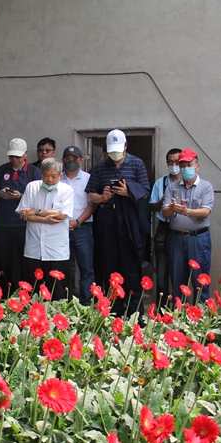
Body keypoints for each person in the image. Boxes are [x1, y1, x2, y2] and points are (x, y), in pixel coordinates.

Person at [86, 129, 150, 316]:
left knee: (130, 265)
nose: (115, 154)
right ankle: (113, 311)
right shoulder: (100, 167)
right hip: (107, 216)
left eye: (118, 150)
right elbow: (91, 194)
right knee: (109, 263)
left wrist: (128, 192)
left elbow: (145, 190)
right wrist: (103, 198)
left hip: (129, 217)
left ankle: (135, 313)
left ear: (125, 147)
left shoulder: (137, 163)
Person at [18, 158, 75, 300]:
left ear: (60, 176)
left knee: (58, 293)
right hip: (33, 249)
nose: (49, 180)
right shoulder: (32, 187)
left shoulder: (66, 190)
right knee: (32, 292)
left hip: (56, 251)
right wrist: (45, 219)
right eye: (46, 175)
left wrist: (36, 211)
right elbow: (24, 214)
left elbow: (61, 215)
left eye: (54, 176)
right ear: (41, 174)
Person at [162, 149, 214, 303]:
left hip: (198, 239)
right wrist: (173, 208)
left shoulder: (206, 187)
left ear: (197, 166)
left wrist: (186, 211)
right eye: (182, 166)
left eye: (189, 165)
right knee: (178, 283)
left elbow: (205, 212)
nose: (185, 169)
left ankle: (200, 315)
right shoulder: (172, 187)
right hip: (176, 239)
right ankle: (179, 314)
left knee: (201, 283)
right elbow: (165, 213)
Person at [0, 138, 41, 292]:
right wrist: (0, 194)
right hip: (3, 224)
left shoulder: (33, 171)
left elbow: (40, 199)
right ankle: (5, 294)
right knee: (3, 263)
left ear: (26, 154)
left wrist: (21, 197)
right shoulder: (2, 170)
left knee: (26, 263)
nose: (14, 159)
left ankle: (26, 294)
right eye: (11, 156)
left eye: (18, 156)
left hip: (25, 224)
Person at [60, 146, 97, 304]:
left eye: (74, 159)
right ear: (62, 160)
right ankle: (64, 301)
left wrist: (77, 222)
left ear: (81, 161)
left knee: (86, 267)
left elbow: (92, 204)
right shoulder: (57, 178)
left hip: (83, 228)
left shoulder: (89, 178)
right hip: (60, 229)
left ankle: (86, 303)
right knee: (63, 267)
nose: (71, 162)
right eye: (68, 159)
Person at [150, 148, 182, 305]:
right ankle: (161, 309)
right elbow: (152, 207)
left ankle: (179, 308)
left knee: (179, 272)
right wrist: (163, 199)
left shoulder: (187, 183)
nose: (173, 165)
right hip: (164, 228)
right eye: (170, 162)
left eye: (177, 162)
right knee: (162, 273)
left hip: (181, 229)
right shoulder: (160, 183)